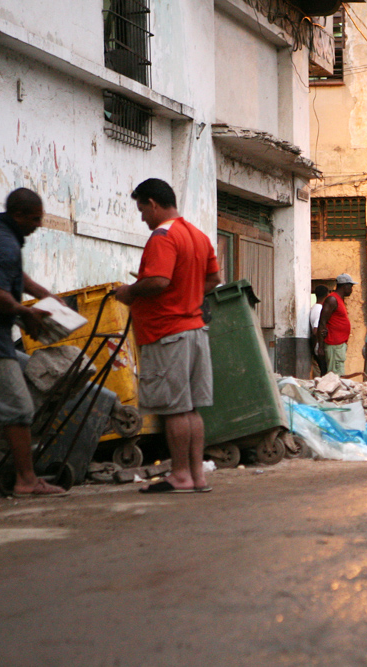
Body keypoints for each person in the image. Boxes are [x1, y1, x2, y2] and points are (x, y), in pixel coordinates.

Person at [0, 188, 67, 499]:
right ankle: (27, 479)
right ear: (18, 216)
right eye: (34, 219)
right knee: (19, 409)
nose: (38, 225)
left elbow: (16, 276)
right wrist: (25, 312)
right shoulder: (5, 245)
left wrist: (46, 296)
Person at [116, 178, 221, 494]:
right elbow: (214, 278)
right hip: (195, 331)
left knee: (175, 408)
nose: (142, 218)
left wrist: (130, 292)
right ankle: (197, 476)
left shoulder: (163, 236)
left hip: (167, 333)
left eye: (142, 210)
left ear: (153, 203)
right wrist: (186, 294)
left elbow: (159, 281)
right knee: (191, 408)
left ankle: (179, 474)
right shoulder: (198, 236)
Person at [316, 274, 357, 376]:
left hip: (338, 344)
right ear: (345, 286)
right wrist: (320, 346)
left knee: (337, 374)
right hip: (334, 344)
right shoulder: (332, 300)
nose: (352, 290)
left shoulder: (338, 300)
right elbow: (322, 322)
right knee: (335, 376)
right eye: (351, 286)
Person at [310, 285, 329, 377]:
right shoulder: (320, 309)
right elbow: (316, 330)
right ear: (327, 295)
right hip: (319, 346)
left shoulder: (314, 307)